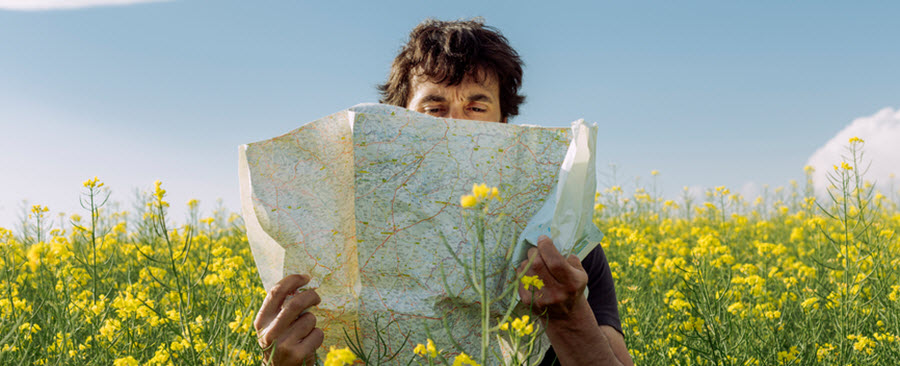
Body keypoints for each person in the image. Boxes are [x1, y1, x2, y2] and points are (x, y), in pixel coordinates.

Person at [253, 18, 633, 366]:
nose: (456, 128)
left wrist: (570, 318)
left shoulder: (559, 246)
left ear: (505, 126)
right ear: (395, 125)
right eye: (434, 110)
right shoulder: (333, 237)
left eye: (476, 107)